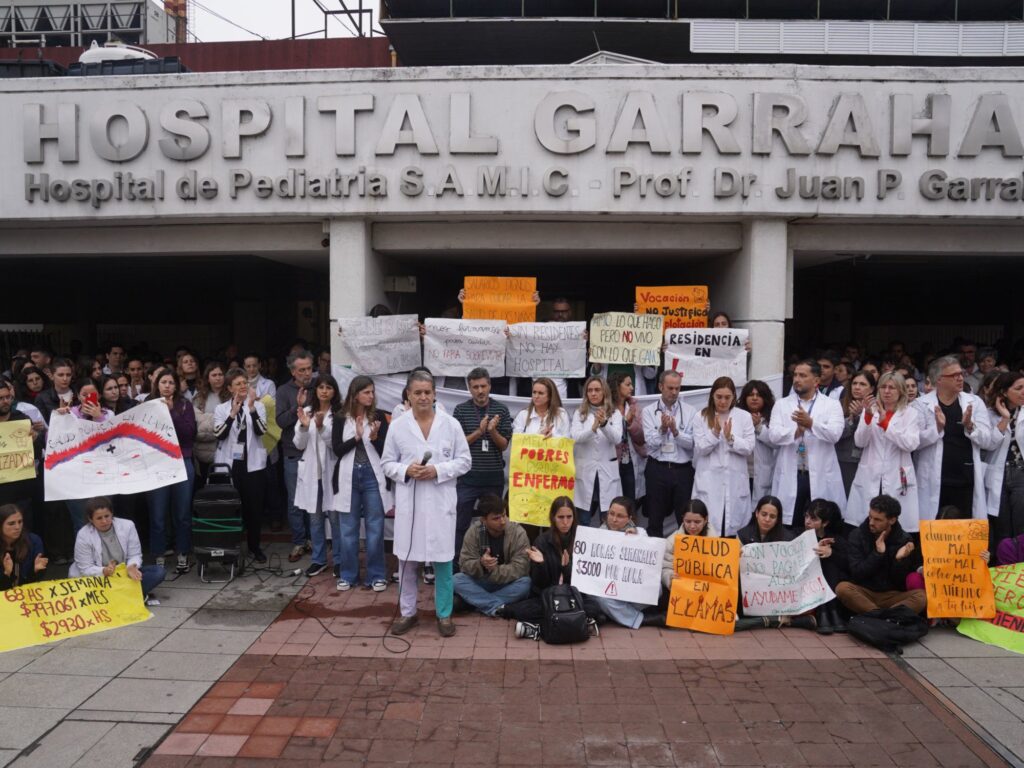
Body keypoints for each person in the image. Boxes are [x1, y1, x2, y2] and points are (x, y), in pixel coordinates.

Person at [381, 371, 471, 637]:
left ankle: (444, 615)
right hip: (410, 505)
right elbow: (386, 463)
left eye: (427, 392)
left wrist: (438, 471)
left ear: (434, 394)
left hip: (441, 502)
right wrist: (405, 470)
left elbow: (465, 461)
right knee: (407, 562)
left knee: (443, 560)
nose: (423, 397)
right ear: (408, 395)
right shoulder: (398, 426)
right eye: (417, 392)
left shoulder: (450, 424)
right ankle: (408, 612)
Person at [507, 496, 602, 639]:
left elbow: (582, 581)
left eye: (569, 517)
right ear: (553, 517)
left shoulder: (581, 539)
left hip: (572, 597)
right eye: (560, 517)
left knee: (596, 609)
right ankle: (577, 622)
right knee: (522, 611)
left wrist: (566, 568)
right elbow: (538, 584)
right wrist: (540, 564)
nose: (565, 522)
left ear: (574, 517)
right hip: (549, 597)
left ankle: (538, 629)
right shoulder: (543, 541)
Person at [767, 360, 846, 530]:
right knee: (789, 523)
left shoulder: (831, 405)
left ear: (816, 381)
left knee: (820, 524)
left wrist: (811, 424)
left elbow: (835, 434)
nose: (797, 379)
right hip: (792, 472)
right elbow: (773, 435)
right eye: (795, 375)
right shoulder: (782, 404)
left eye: (803, 375)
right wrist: (795, 433)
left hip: (820, 473)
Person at [916, 355, 994, 522]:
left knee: (964, 529)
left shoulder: (974, 402)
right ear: (938, 380)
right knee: (934, 531)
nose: (960, 378)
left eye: (961, 374)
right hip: (935, 479)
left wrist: (970, 426)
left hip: (965, 479)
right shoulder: (920, 405)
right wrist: (937, 428)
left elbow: (987, 440)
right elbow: (913, 442)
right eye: (953, 375)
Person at [331, 375, 390, 591]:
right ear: (355, 394)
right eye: (366, 392)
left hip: (373, 475)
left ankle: (376, 575)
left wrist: (374, 438)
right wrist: (356, 438)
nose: (371, 396)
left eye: (372, 392)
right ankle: (348, 574)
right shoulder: (340, 417)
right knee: (348, 528)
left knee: (375, 526)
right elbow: (337, 450)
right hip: (348, 475)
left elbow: (387, 453)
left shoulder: (379, 416)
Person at [846, 372, 921, 531]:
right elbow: (860, 442)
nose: (887, 391)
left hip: (897, 474)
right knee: (867, 525)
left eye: (892, 387)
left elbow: (910, 444)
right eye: (883, 387)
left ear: (900, 390)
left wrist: (886, 425)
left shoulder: (911, 414)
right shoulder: (870, 410)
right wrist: (867, 417)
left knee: (895, 525)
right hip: (871, 472)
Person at [452, 367, 513, 561]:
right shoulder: (460, 410)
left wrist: (493, 431)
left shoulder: (501, 410)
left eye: (483, 386)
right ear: (469, 389)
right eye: (475, 387)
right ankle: (457, 566)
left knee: (494, 525)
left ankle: (493, 562)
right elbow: (457, 444)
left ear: (490, 386)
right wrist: (480, 432)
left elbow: (503, 445)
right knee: (460, 524)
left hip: (493, 479)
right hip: (467, 479)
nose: (480, 390)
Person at [835, 494, 925, 616]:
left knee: (921, 597)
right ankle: (884, 617)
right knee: (842, 588)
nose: (871, 522)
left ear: (892, 520)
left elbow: (900, 581)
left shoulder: (904, 539)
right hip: (864, 593)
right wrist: (877, 554)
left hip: (892, 596)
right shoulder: (857, 535)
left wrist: (899, 560)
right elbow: (857, 573)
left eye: (877, 519)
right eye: (870, 517)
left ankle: (877, 616)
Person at [144, 369, 197, 572]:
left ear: (177, 386)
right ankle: (159, 554)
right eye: (163, 382)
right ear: (157, 385)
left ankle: (182, 552)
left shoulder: (185, 406)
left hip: (182, 461)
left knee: (182, 512)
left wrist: (172, 412)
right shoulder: (148, 406)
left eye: (171, 382)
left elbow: (189, 433)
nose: (167, 386)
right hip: (157, 463)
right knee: (157, 513)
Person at [214, 368, 269, 563]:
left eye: (245, 383)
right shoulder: (221, 409)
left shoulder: (258, 406)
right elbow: (219, 434)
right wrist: (232, 414)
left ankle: (254, 547)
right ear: (229, 388)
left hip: (253, 466)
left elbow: (262, 430)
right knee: (230, 510)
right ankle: (231, 549)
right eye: (238, 384)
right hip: (230, 467)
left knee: (253, 510)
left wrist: (251, 409)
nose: (243, 386)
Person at [293, 373, 341, 580]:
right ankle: (319, 560)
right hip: (312, 474)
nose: (324, 391)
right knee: (315, 519)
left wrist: (321, 428)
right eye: (321, 387)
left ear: (334, 391)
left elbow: (336, 445)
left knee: (336, 519)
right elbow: (299, 444)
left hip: (332, 472)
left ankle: (339, 561)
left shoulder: (339, 414)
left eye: (328, 387)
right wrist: (304, 425)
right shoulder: (306, 411)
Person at [693, 377, 755, 536]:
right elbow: (700, 448)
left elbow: (749, 448)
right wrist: (715, 433)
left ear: (734, 397)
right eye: (719, 397)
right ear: (712, 396)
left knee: (732, 530)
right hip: (709, 482)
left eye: (727, 397)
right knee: (708, 529)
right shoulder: (701, 416)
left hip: (734, 483)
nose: (722, 401)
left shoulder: (744, 416)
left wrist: (730, 438)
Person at [71, 496, 165, 600]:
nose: (104, 521)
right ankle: (129, 595)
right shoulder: (83, 534)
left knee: (158, 572)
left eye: (107, 516)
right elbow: (85, 568)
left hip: (123, 574)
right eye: (99, 518)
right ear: (90, 519)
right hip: (99, 578)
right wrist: (104, 571)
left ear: (112, 514)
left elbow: (135, 555)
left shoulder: (128, 525)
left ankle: (119, 596)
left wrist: (132, 566)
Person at [452, 494, 531, 617]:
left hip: (507, 582)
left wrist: (495, 570)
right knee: (455, 580)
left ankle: (475, 602)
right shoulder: (474, 531)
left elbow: (522, 567)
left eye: (504, 515)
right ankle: (497, 607)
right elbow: (464, 564)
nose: (503, 521)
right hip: (481, 580)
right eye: (496, 518)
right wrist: (481, 564)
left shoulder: (517, 532)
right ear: (483, 520)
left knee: (526, 583)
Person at [641, 370, 697, 538]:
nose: (674, 392)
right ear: (660, 387)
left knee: (686, 520)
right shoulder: (649, 411)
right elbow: (651, 442)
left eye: (677, 388)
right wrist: (663, 429)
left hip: (682, 471)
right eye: (670, 388)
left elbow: (692, 444)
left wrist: (676, 432)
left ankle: (684, 559)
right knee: (655, 518)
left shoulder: (690, 411)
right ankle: (654, 561)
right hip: (657, 469)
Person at [276, 350, 314, 563]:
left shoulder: (320, 387)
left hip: (316, 453)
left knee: (314, 499)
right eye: (302, 370)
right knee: (294, 502)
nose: (307, 373)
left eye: (309, 368)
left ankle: (313, 539)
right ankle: (299, 541)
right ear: (293, 371)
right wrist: (297, 408)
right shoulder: (283, 391)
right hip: (292, 454)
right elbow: (280, 422)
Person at [571, 376, 624, 527]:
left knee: (607, 518)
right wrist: (593, 428)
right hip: (585, 472)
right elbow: (575, 437)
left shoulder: (614, 414)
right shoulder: (579, 413)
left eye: (597, 390)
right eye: (590, 390)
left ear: (604, 392)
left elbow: (617, 439)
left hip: (607, 471)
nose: (593, 393)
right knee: (583, 519)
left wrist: (604, 424)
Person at [984, 372, 1024, 543]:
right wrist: (1005, 419)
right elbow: (988, 445)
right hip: (997, 475)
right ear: (1004, 392)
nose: (1023, 392)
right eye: (1019, 388)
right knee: (1002, 527)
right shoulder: (988, 414)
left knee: (1021, 525)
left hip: (1021, 472)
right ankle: (1004, 566)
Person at [803, 498, 849, 634]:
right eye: (806, 516)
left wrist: (832, 553)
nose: (807, 521)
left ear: (825, 522)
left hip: (832, 587)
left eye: (813, 519)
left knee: (829, 563)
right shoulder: (798, 534)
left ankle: (831, 609)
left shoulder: (836, 540)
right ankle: (823, 610)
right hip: (806, 587)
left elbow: (849, 564)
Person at [607, 371, 646, 505]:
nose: (632, 388)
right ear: (617, 386)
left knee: (630, 502)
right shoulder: (605, 408)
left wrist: (630, 423)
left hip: (630, 461)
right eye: (628, 384)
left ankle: (630, 525)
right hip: (611, 461)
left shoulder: (634, 407)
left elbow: (641, 438)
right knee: (611, 501)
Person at [738, 380, 777, 502]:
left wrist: (759, 427)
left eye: (759, 395)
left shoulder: (773, 417)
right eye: (751, 395)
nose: (754, 398)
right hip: (741, 473)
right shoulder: (736, 416)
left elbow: (776, 442)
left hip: (762, 475)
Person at [193, 362, 226, 485]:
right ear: (208, 377)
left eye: (220, 374)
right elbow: (197, 424)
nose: (218, 378)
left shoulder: (232, 394)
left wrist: (207, 419)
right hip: (205, 451)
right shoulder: (200, 397)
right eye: (214, 375)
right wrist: (221, 420)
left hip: (227, 449)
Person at [0, 504, 46, 590]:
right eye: (11, 523)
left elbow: (35, 583)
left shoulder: (33, 541)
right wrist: (6, 574)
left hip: (26, 594)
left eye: (20, 522)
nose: (17, 527)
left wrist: (35, 571)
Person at [35, 357, 75, 422]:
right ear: (51, 376)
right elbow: (43, 424)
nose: (65, 378)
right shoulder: (42, 398)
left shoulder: (78, 394)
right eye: (60, 375)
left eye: (68, 375)